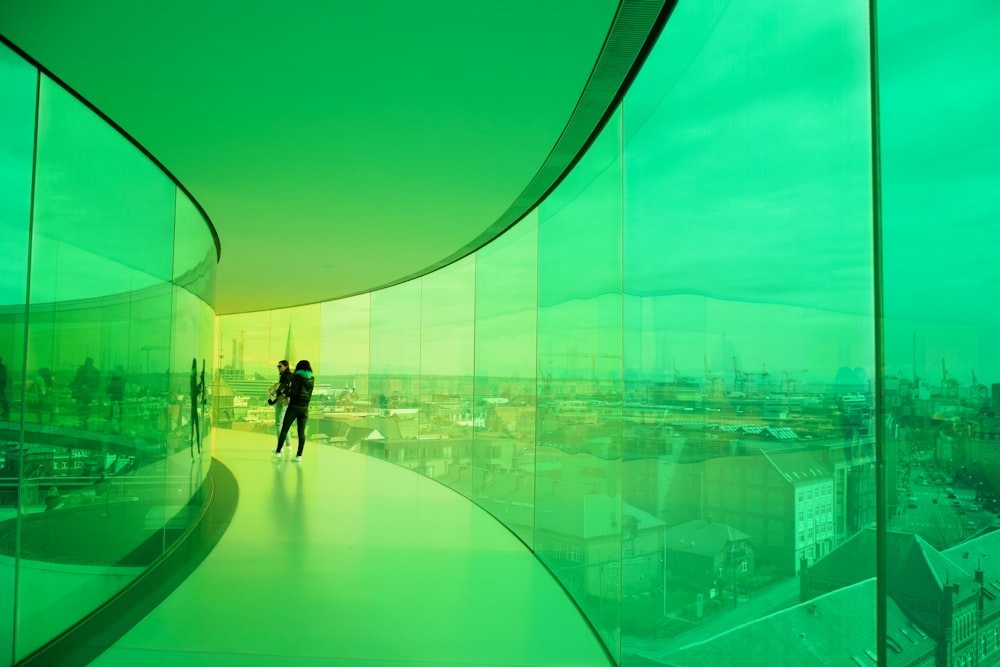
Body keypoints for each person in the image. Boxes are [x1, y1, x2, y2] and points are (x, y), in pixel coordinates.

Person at [273, 360, 315, 462]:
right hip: (305, 409)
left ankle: (278, 452)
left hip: (294, 407)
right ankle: (299, 456)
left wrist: (285, 391)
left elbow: (294, 393)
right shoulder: (312, 378)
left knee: (284, 429)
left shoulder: (297, 377)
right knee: (301, 432)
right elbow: (309, 394)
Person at [70, 357, 100, 428]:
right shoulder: (94, 370)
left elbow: (76, 380)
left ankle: (83, 419)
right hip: (86, 391)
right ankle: (85, 419)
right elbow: (97, 383)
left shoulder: (81, 369)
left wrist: (79, 387)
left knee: (82, 405)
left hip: (82, 391)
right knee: (86, 405)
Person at [267, 359, 293, 437]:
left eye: (280, 366)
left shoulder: (284, 376)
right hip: (288, 402)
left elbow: (281, 389)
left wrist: (272, 399)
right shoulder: (292, 376)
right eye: (277, 366)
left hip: (282, 401)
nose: (278, 368)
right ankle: (288, 444)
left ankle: (280, 445)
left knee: (279, 423)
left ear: (286, 366)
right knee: (284, 424)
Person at [189, 358, 203, 459]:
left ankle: (196, 451)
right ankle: (196, 451)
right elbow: (196, 391)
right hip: (193, 410)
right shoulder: (193, 387)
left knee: (195, 431)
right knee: (195, 431)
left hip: (193, 410)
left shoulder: (192, 386)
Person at [107, 364, 125, 431]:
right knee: (119, 406)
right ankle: (119, 418)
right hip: (119, 393)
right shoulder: (122, 375)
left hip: (115, 393)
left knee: (113, 406)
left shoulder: (115, 375)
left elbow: (111, 384)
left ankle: (111, 417)